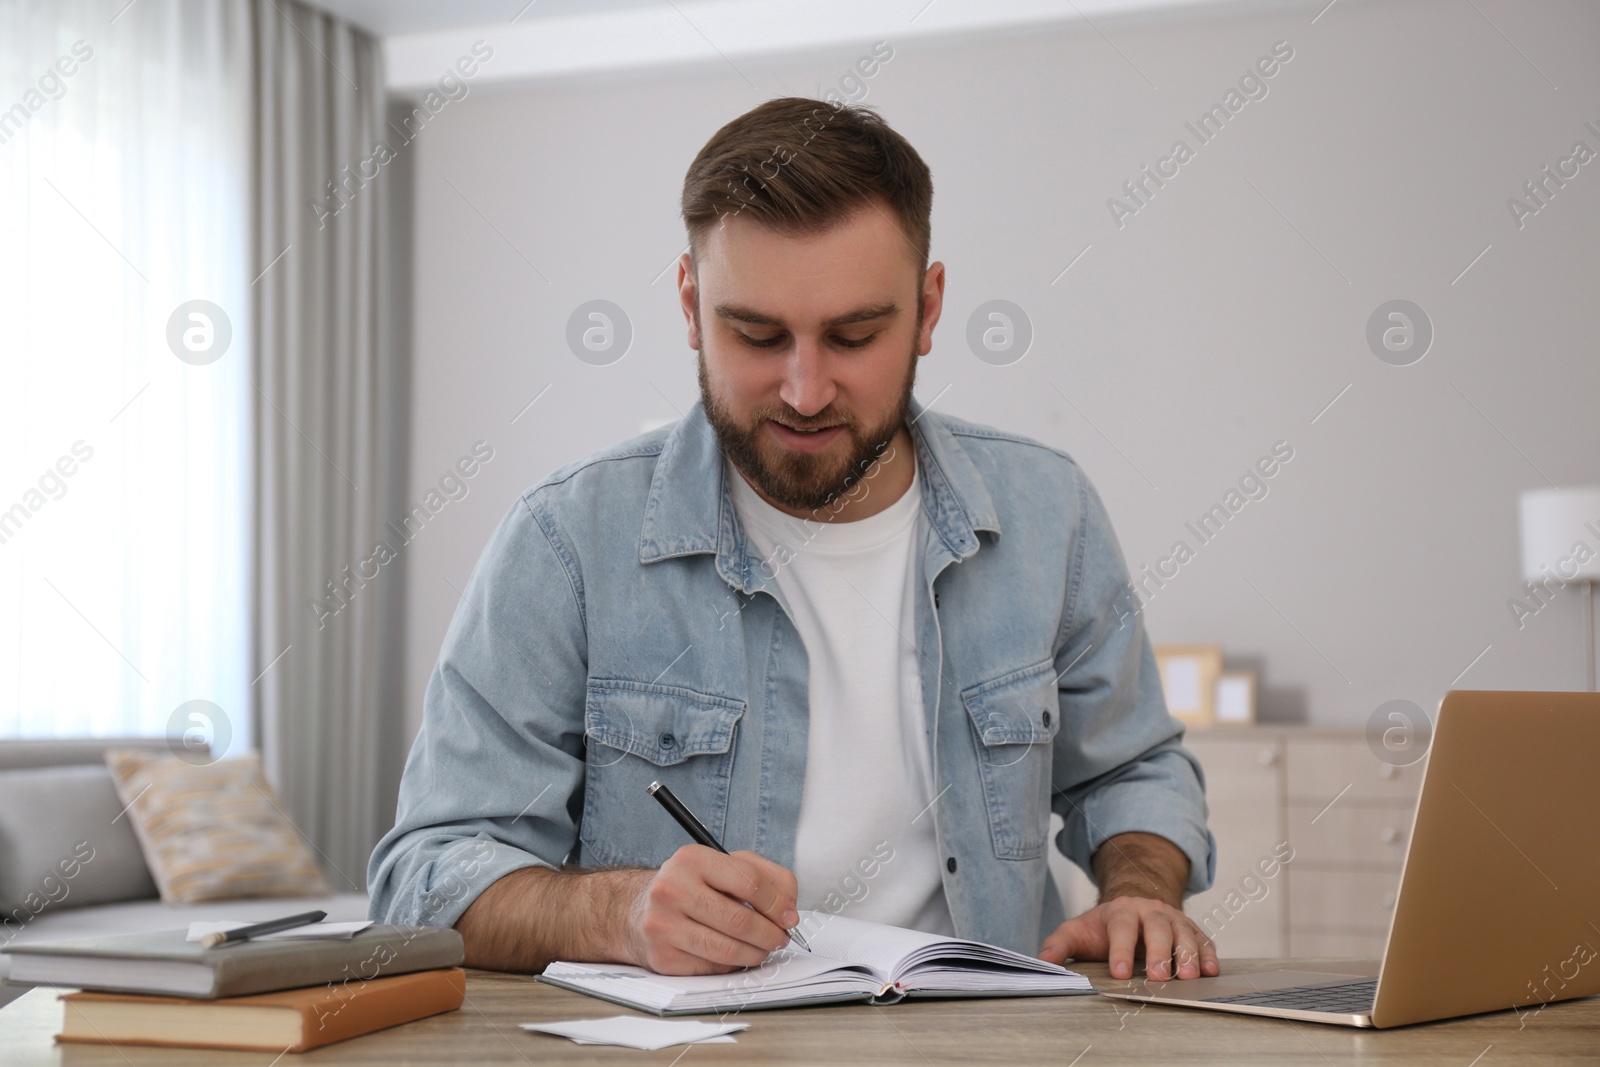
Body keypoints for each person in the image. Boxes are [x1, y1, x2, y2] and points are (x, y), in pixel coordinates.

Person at [368, 96, 1219, 984]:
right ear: (692, 306)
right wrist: (615, 913)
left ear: (928, 310)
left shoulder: (1051, 511)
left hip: (983, 1034)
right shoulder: (565, 540)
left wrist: (1141, 890)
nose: (806, 390)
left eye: (855, 335)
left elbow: (1135, 768)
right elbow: (426, 874)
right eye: (758, 335)